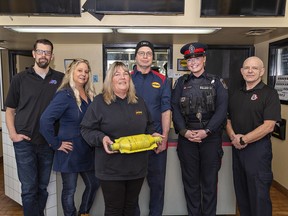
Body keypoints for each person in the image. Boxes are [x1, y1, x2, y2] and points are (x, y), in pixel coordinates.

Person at [80, 61, 161, 216]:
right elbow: (86, 129)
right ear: (111, 79)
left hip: (137, 168)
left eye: (125, 73)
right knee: (114, 210)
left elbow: (149, 125)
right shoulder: (100, 102)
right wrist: (101, 138)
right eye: (117, 74)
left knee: (131, 208)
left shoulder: (139, 101)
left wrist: (153, 135)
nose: (122, 77)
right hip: (111, 169)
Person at [5, 39, 64, 216]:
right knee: (29, 188)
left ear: (52, 56)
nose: (43, 55)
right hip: (24, 143)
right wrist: (13, 134)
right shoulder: (19, 79)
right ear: (34, 53)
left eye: (47, 52)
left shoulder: (60, 79)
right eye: (40, 51)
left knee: (42, 187)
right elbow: (10, 110)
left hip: (47, 143)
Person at [171, 42, 228, 216]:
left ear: (204, 59)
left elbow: (222, 110)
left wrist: (207, 131)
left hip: (210, 139)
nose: (193, 62)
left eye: (196, 58)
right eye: (189, 59)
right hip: (187, 138)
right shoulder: (181, 83)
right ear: (186, 63)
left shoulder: (217, 82)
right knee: (190, 183)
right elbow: (174, 108)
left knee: (210, 183)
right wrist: (184, 131)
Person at [39, 58, 99, 216]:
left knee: (94, 184)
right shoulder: (65, 94)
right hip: (69, 152)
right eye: (80, 70)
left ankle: (83, 212)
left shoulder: (89, 94)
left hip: (86, 150)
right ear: (71, 72)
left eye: (86, 71)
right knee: (69, 190)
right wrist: (56, 143)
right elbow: (45, 120)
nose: (83, 74)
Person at [226, 56, 281, 216]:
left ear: (262, 71)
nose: (250, 71)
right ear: (242, 71)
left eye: (255, 68)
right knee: (242, 195)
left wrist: (244, 139)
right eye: (247, 68)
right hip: (238, 150)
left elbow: (269, 125)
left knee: (259, 196)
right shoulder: (236, 94)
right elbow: (227, 119)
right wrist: (233, 137)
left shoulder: (270, 94)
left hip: (258, 152)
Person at [131, 40, 171, 216]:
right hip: (133, 142)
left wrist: (164, 137)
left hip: (156, 141)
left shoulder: (162, 80)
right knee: (132, 187)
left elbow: (166, 109)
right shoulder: (127, 78)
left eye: (149, 54)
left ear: (153, 58)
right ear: (136, 56)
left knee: (157, 186)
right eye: (142, 53)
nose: (145, 56)